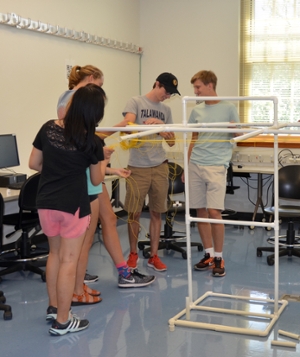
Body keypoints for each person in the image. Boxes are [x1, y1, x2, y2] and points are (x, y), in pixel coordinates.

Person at [57, 65, 155, 300]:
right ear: (91, 80)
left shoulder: (66, 98)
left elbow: (86, 139)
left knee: (108, 219)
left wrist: (108, 164)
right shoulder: (74, 100)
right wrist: (127, 127)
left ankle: (119, 273)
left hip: (88, 171)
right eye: (99, 86)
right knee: (87, 233)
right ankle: (77, 288)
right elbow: (83, 138)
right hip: (84, 176)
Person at [29, 84, 106, 336]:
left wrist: (56, 172)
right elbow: (96, 180)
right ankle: (63, 321)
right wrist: (102, 157)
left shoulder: (49, 127)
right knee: (69, 261)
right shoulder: (92, 141)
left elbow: (33, 163)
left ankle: (53, 307)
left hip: (45, 202)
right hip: (73, 206)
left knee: (54, 254)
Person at [122, 72, 180, 272]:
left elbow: (171, 142)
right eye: (166, 91)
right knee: (134, 213)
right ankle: (132, 253)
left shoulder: (166, 110)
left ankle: (154, 256)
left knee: (157, 212)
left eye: (171, 94)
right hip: (138, 167)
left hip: (160, 166)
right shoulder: (135, 102)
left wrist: (163, 128)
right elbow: (128, 128)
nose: (168, 96)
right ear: (157, 84)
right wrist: (152, 127)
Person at [186, 70, 240, 277]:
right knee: (200, 210)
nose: (196, 91)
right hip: (196, 164)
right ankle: (208, 254)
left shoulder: (229, 108)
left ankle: (218, 256)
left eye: (198, 87)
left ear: (210, 85)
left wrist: (235, 129)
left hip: (217, 165)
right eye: (195, 88)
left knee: (215, 212)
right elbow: (193, 138)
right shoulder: (197, 111)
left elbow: (238, 136)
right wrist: (188, 164)